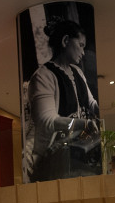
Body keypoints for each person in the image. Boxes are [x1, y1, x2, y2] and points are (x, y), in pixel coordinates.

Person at [24, 16, 101, 181]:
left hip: (78, 153)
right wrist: (83, 124)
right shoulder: (43, 76)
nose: (83, 52)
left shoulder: (77, 72)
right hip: (52, 160)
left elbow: (91, 103)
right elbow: (47, 121)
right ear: (66, 41)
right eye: (80, 45)